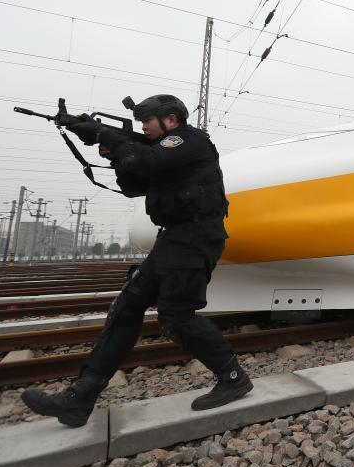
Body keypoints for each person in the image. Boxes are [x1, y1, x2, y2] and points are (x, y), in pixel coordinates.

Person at [21, 94, 251, 427]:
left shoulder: (190, 140)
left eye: (148, 120)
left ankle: (233, 377)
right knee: (128, 307)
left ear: (171, 120)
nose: (143, 126)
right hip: (173, 237)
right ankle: (80, 398)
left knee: (176, 316)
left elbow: (147, 160)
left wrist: (104, 134)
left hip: (197, 237)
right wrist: (113, 151)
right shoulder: (160, 153)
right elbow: (133, 184)